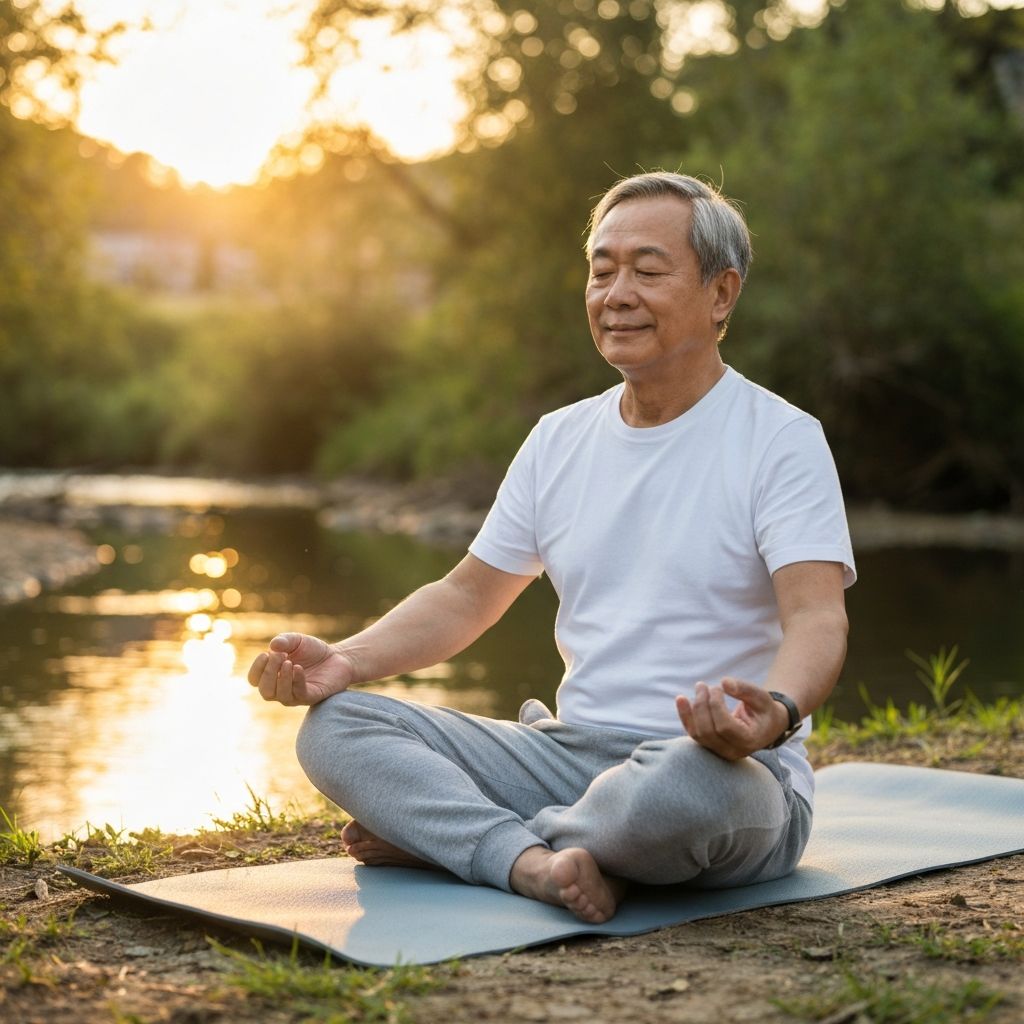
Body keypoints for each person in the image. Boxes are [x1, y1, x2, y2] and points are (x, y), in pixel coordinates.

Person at [248, 171, 855, 925]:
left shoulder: (781, 440)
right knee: (338, 728)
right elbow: (468, 594)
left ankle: (470, 840)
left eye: (648, 270)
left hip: (727, 769)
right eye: (602, 272)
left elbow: (818, 619)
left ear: (721, 293)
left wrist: (777, 713)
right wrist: (347, 659)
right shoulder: (559, 438)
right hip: (567, 759)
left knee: (685, 792)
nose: (617, 293)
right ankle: (539, 861)